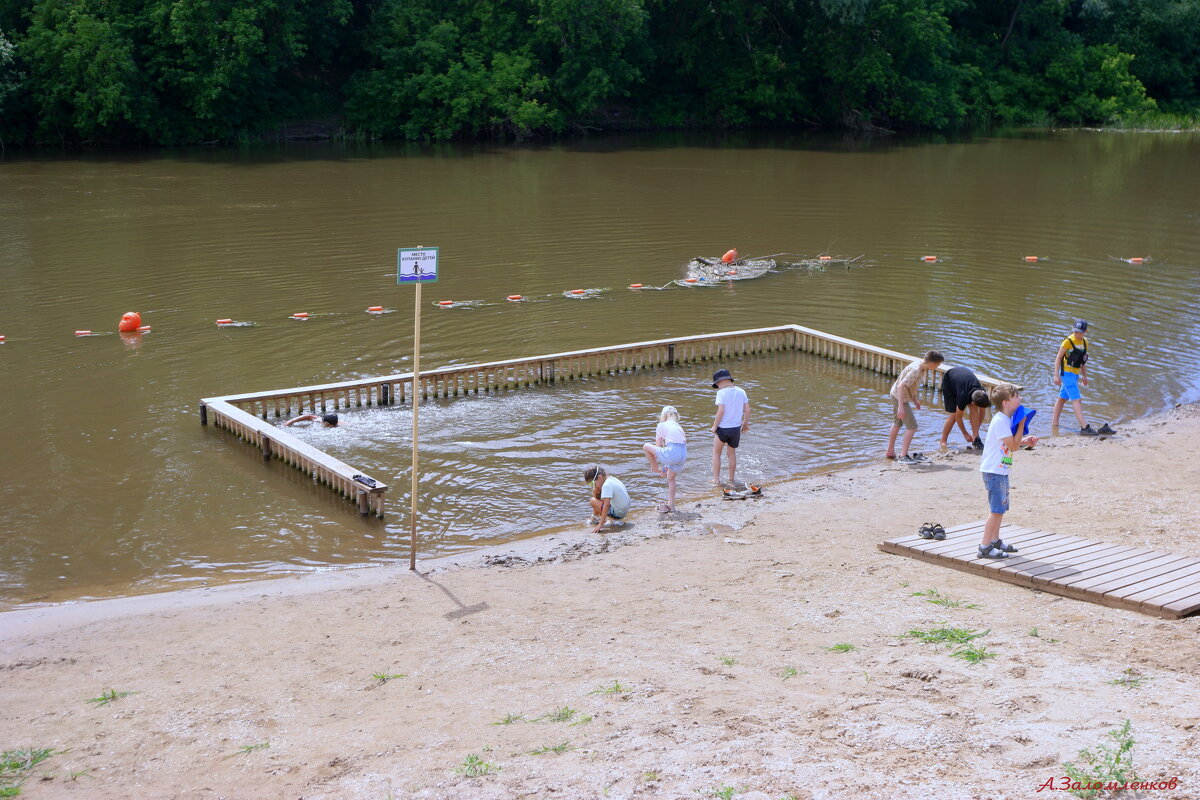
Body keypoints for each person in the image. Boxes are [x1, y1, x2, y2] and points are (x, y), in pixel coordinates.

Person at [978, 383, 1039, 559]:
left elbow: (1011, 444)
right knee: (996, 510)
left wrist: (1025, 440)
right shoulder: (1000, 421)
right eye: (1016, 397)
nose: (1020, 399)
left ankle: (995, 540)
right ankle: (984, 546)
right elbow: (1012, 445)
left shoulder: (1005, 420)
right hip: (994, 471)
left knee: (1001, 509)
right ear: (1006, 403)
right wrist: (1021, 424)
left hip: (1001, 470)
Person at [1051, 320, 1111, 436]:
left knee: (1061, 399)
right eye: (1075, 331)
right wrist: (1056, 375)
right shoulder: (1067, 342)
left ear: (1085, 332)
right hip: (1066, 374)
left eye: (1080, 332)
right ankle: (1084, 427)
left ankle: (1054, 425)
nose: (1077, 334)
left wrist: (1084, 376)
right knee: (1077, 399)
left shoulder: (1085, 342)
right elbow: (1058, 358)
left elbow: (1082, 361)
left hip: (1075, 374)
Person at [886, 350, 944, 463]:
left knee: (897, 423)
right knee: (912, 427)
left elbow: (911, 385)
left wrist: (915, 399)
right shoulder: (917, 370)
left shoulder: (921, 365)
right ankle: (903, 456)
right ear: (932, 363)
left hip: (895, 394)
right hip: (899, 397)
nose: (937, 367)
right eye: (937, 364)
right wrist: (901, 407)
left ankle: (890, 451)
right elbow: (901, 386)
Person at [643, 405, 687, 513]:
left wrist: (654, 465)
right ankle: (671, 505)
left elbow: (658, 447)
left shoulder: (662, 425)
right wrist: (665, 468)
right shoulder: (678, 426)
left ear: (665, 415)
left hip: (672, 452)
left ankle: (655, 469)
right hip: (683, 454)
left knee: (646, 446)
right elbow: (671, 450)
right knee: (671, 479)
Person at [710, 369, 750, 486]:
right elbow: (747, 410)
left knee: (716, 453)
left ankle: (716, 480)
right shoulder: (741, 391)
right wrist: (745, 424)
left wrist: (714, 426)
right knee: (731, 454)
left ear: (722, 381)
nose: (717, 387)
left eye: (717, 384)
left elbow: (721, 411)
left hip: (723, 428)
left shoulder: (721, 393)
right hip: (735, 429)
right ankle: (731, 478)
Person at [938, 366, 992, 450]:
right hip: (949, 380)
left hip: (963, 380)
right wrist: (965, 434)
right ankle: (943, 441)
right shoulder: (963, 397)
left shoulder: (982, 393)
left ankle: (976, 439)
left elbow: (982, 412)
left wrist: (975, 432)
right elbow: (958, 417)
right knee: (953, 414)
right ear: (972, 401)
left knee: (974, 409)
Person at [583, 465, 630, 534]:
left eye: (592, 483)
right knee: (596, 491)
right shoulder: (612, 479)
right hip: (624, 510)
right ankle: (595, 516)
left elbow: (606, 505)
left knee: (593, 501)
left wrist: (600, 525)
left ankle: (611, 520)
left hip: (619, 514)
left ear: (600, 477)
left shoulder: (606, 485)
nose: (592, 487)